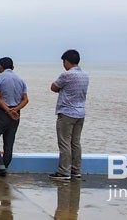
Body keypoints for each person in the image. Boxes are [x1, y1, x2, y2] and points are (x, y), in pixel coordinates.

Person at [48, 49, 89, 181]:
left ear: (67, 61)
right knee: (75, 142)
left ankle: (64, 172)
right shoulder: (85, 75)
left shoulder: (66, 75)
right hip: (80, 112)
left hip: (67, 112)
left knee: (64, 143)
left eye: (63, 62)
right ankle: (76, 170)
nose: (63, 64)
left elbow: (54, 87)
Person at [0, 57, 28, 177]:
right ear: (13, 67)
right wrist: (16, 109)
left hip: (2, 112)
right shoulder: (20, 80)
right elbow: (26, 99)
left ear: (0, 67)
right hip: (16, 113)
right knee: (9, 141)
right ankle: (4, 165)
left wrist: (7, 110)